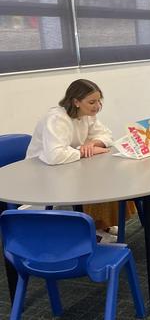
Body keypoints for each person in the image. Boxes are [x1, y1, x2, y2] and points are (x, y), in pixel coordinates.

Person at [27, 79, 136, 242]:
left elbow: (107, 136)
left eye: (99, 101)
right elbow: (54, 156)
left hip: (69, 165)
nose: (97, 106)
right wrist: (84, 152)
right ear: (76, 102)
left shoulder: (87, 115)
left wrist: (92, 143)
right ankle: (91, 232)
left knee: (108, 177)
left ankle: (100, 224)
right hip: (44, 172)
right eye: (92, 102)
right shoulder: (57, 118)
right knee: (94, 182)